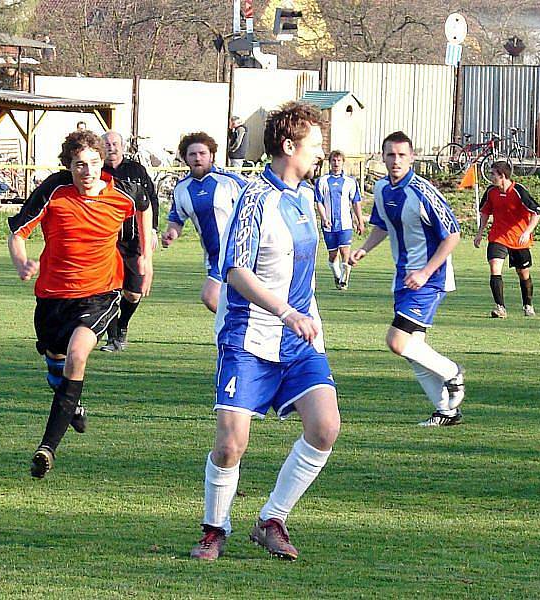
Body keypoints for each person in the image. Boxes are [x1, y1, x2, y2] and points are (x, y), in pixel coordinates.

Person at [189, 102, 339, 562]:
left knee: (325, 427)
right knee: (231, 442)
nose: (321, 153)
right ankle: (214, 530)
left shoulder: (306, 196)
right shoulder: (255, 198)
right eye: (315, 144)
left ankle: (272, 519)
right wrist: (284, 311)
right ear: (289, 146)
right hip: (249, 337)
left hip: (298, 340)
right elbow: (235, 270)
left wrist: (306, 314)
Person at [7, 129, 152, 479]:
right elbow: (18, 233)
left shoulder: (121, 195)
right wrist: (22, 262)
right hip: (53, 297)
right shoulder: (55, 191)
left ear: (103, 163)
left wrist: (145, 260)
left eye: (93, 163)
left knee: (77, 354)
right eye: (78, 165)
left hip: (100, 294)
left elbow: (141, 216)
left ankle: (47, 448)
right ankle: (72, 406)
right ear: (68, 166)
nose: (87, 171)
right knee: (57, 365)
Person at [349, 131, 465, 427]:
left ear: (412, 157)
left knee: (397, 341)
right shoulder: (382, 189)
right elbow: (381, 226)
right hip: (403, 279)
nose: (396, 160)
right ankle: (446, 412)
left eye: (402, 155)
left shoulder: (424, 191)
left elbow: (452, 235)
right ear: (383, 157)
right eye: (390, 154)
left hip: (429, 278)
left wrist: (426, 272)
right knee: (415, 351)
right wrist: (363, 250)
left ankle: (452, 372)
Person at [161, 132, 246, 313]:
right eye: (192, 154)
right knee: (230, 300)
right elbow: (177, 219)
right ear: (185, 158)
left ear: (212, 156)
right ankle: (241, 329)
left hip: (235, 251)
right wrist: (170, 234)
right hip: (213, 255)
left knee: (210, 296)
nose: (198, 158)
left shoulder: (230, 182)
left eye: (202, 153)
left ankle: (239, 328)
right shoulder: (182, 189)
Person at [99, 131, 159, 352]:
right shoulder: (97, 172)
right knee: (108, 289)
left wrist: (152, 229)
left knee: (133, 292)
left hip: (133, 239)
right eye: (107, 144)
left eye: (115, 143)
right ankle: (113, 336)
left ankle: (122, 325)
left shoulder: (136, 170)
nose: (111, 147)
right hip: (106, 240)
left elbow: (151, 199)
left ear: (122, 146)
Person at [473, 160, 540, 318]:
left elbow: (537, 212)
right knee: (494, 268)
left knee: (523, 273)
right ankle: (500, 307)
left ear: (502, 175)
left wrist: (527, 232)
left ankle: (528, 305)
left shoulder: (518, 191)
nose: (490, 177)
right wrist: (480, 232)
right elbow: (485, 212)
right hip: (498, 237)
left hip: (518, 240)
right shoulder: (491, 191)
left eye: (493, 174)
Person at [314, 150, 365, 290]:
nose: (336, 163)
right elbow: (319, 202)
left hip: (346, 223)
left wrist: (360, 221)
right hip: (329, 224)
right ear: (330, 163)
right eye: (334, 161)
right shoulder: (322, 181)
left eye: (339, 161)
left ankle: (344, 280)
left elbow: (356, 202)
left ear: (343, 163)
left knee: (345, 252)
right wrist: (324, 218)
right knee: (333, 255)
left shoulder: (350, 182)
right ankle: (337, 275)